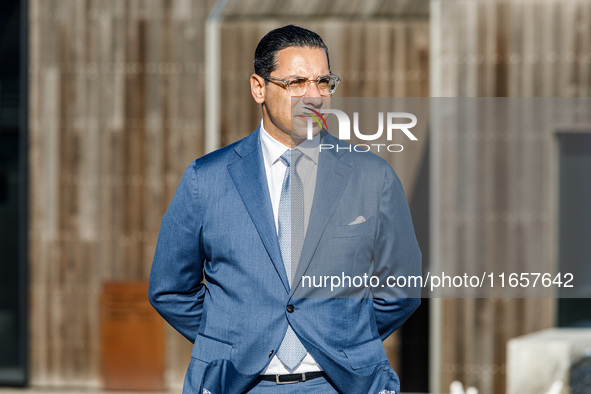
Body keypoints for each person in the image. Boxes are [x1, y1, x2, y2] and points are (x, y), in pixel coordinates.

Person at [149, 25, 421, 394]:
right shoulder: (205, 180)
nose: (314, 96)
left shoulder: (372, 177)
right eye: (296, 82)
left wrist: (343, 335)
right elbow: (170, 289)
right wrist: (233, 337)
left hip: (340, 384)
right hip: (238, 385)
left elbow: (401, 289)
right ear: (259, 88)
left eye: (323, 82)